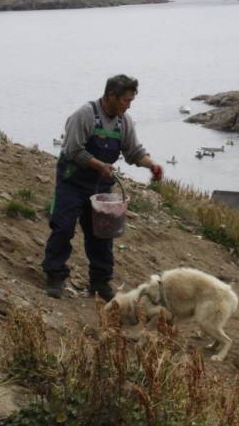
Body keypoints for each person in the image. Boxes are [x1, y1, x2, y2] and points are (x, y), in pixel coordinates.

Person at [42, 74, 163, 300]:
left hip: (100, 187)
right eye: (125, 100)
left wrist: (151, 165)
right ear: (111, 96)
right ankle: (54, 275)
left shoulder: (123, 122)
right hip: (72, 182)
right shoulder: (85, 116)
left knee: (102, 235)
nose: (128, 105)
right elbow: (72, 150)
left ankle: (99, 282)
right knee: (63, 227)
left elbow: (133, 152)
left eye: (131, 101)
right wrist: (99, 165)